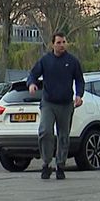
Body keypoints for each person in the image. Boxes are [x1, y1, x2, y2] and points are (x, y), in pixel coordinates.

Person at [28, 33, 86, 179]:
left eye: (64, 42)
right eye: (59, 42)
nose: (62, 45)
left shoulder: (72, 61)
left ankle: (60, 165)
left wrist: (79, 95)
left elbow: (80, 80)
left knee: (64, 136)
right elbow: (33, 75)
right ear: (53, 44)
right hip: (49, 102)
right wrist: (32, 84)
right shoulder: (45, 60)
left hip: (66, 103)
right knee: (45, 131)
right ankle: (46, 163)